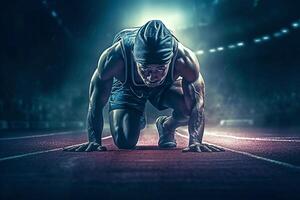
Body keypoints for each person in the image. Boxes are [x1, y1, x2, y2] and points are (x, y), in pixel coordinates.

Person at [64, 20, 223, 153]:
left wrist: (195, 141)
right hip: (127, 87)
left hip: (164, 87)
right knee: (124, 142)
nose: (151, 76)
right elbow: (95, 101)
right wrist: (94, 140)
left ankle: (166, 126)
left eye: (160, 69)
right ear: (134, 57)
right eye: (145, 69)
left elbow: (198, 104)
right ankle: (135, 114)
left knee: (188, 108)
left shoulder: (184, 60)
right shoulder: (114, 58)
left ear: (170, 60)